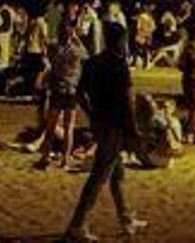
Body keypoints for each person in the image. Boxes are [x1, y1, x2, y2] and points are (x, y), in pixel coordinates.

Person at [63, 21, 146, 242]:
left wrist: (92, 114)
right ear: (120, 40)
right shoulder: (119, 65)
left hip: (101, 123)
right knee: (99, 176)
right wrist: (134, 129)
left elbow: (79, 93)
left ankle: (126, 217)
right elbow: (127, 100)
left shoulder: (93, 63)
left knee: (117, 174)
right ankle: (77, 225)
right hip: (116, 125)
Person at [37, 20, 86, 170]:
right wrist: (76, 38)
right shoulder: (76, 50)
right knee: (69, 126)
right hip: (71, 89)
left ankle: (45, 158)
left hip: (58, 89)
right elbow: (86, 56)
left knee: (51, 126)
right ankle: (65, 160)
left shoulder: (54, 48)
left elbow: (48, 60)